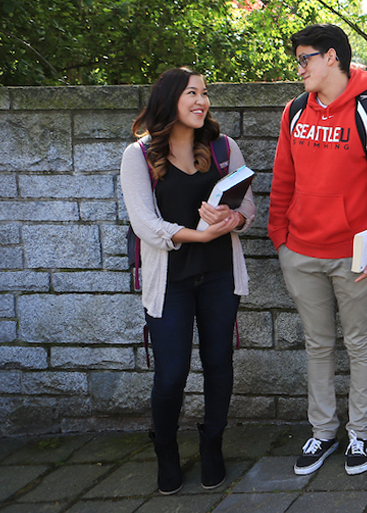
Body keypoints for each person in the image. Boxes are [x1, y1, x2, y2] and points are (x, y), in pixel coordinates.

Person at [269, 24, 367, 476]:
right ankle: (322, 433)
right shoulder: (294, 112)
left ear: (332, 58)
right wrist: (280, 238)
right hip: (301, 251)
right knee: (317, 343)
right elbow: (283, 179)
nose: (300, 68)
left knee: (360, 342)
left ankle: (359, 436)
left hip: (356, 255)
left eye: (305, 59)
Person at [120, 67, 256, 494]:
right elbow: (144, 222)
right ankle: (165, 450)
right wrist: (197, 233)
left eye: (205, 93)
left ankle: (212, 444)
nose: (202, 101)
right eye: (193, 93)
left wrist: (233, 217)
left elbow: (247, 206)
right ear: (170, 99)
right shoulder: (138, 156)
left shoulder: (222, 147)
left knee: (219, 365)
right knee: (171, 374)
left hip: (219, 277)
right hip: (171, 283)